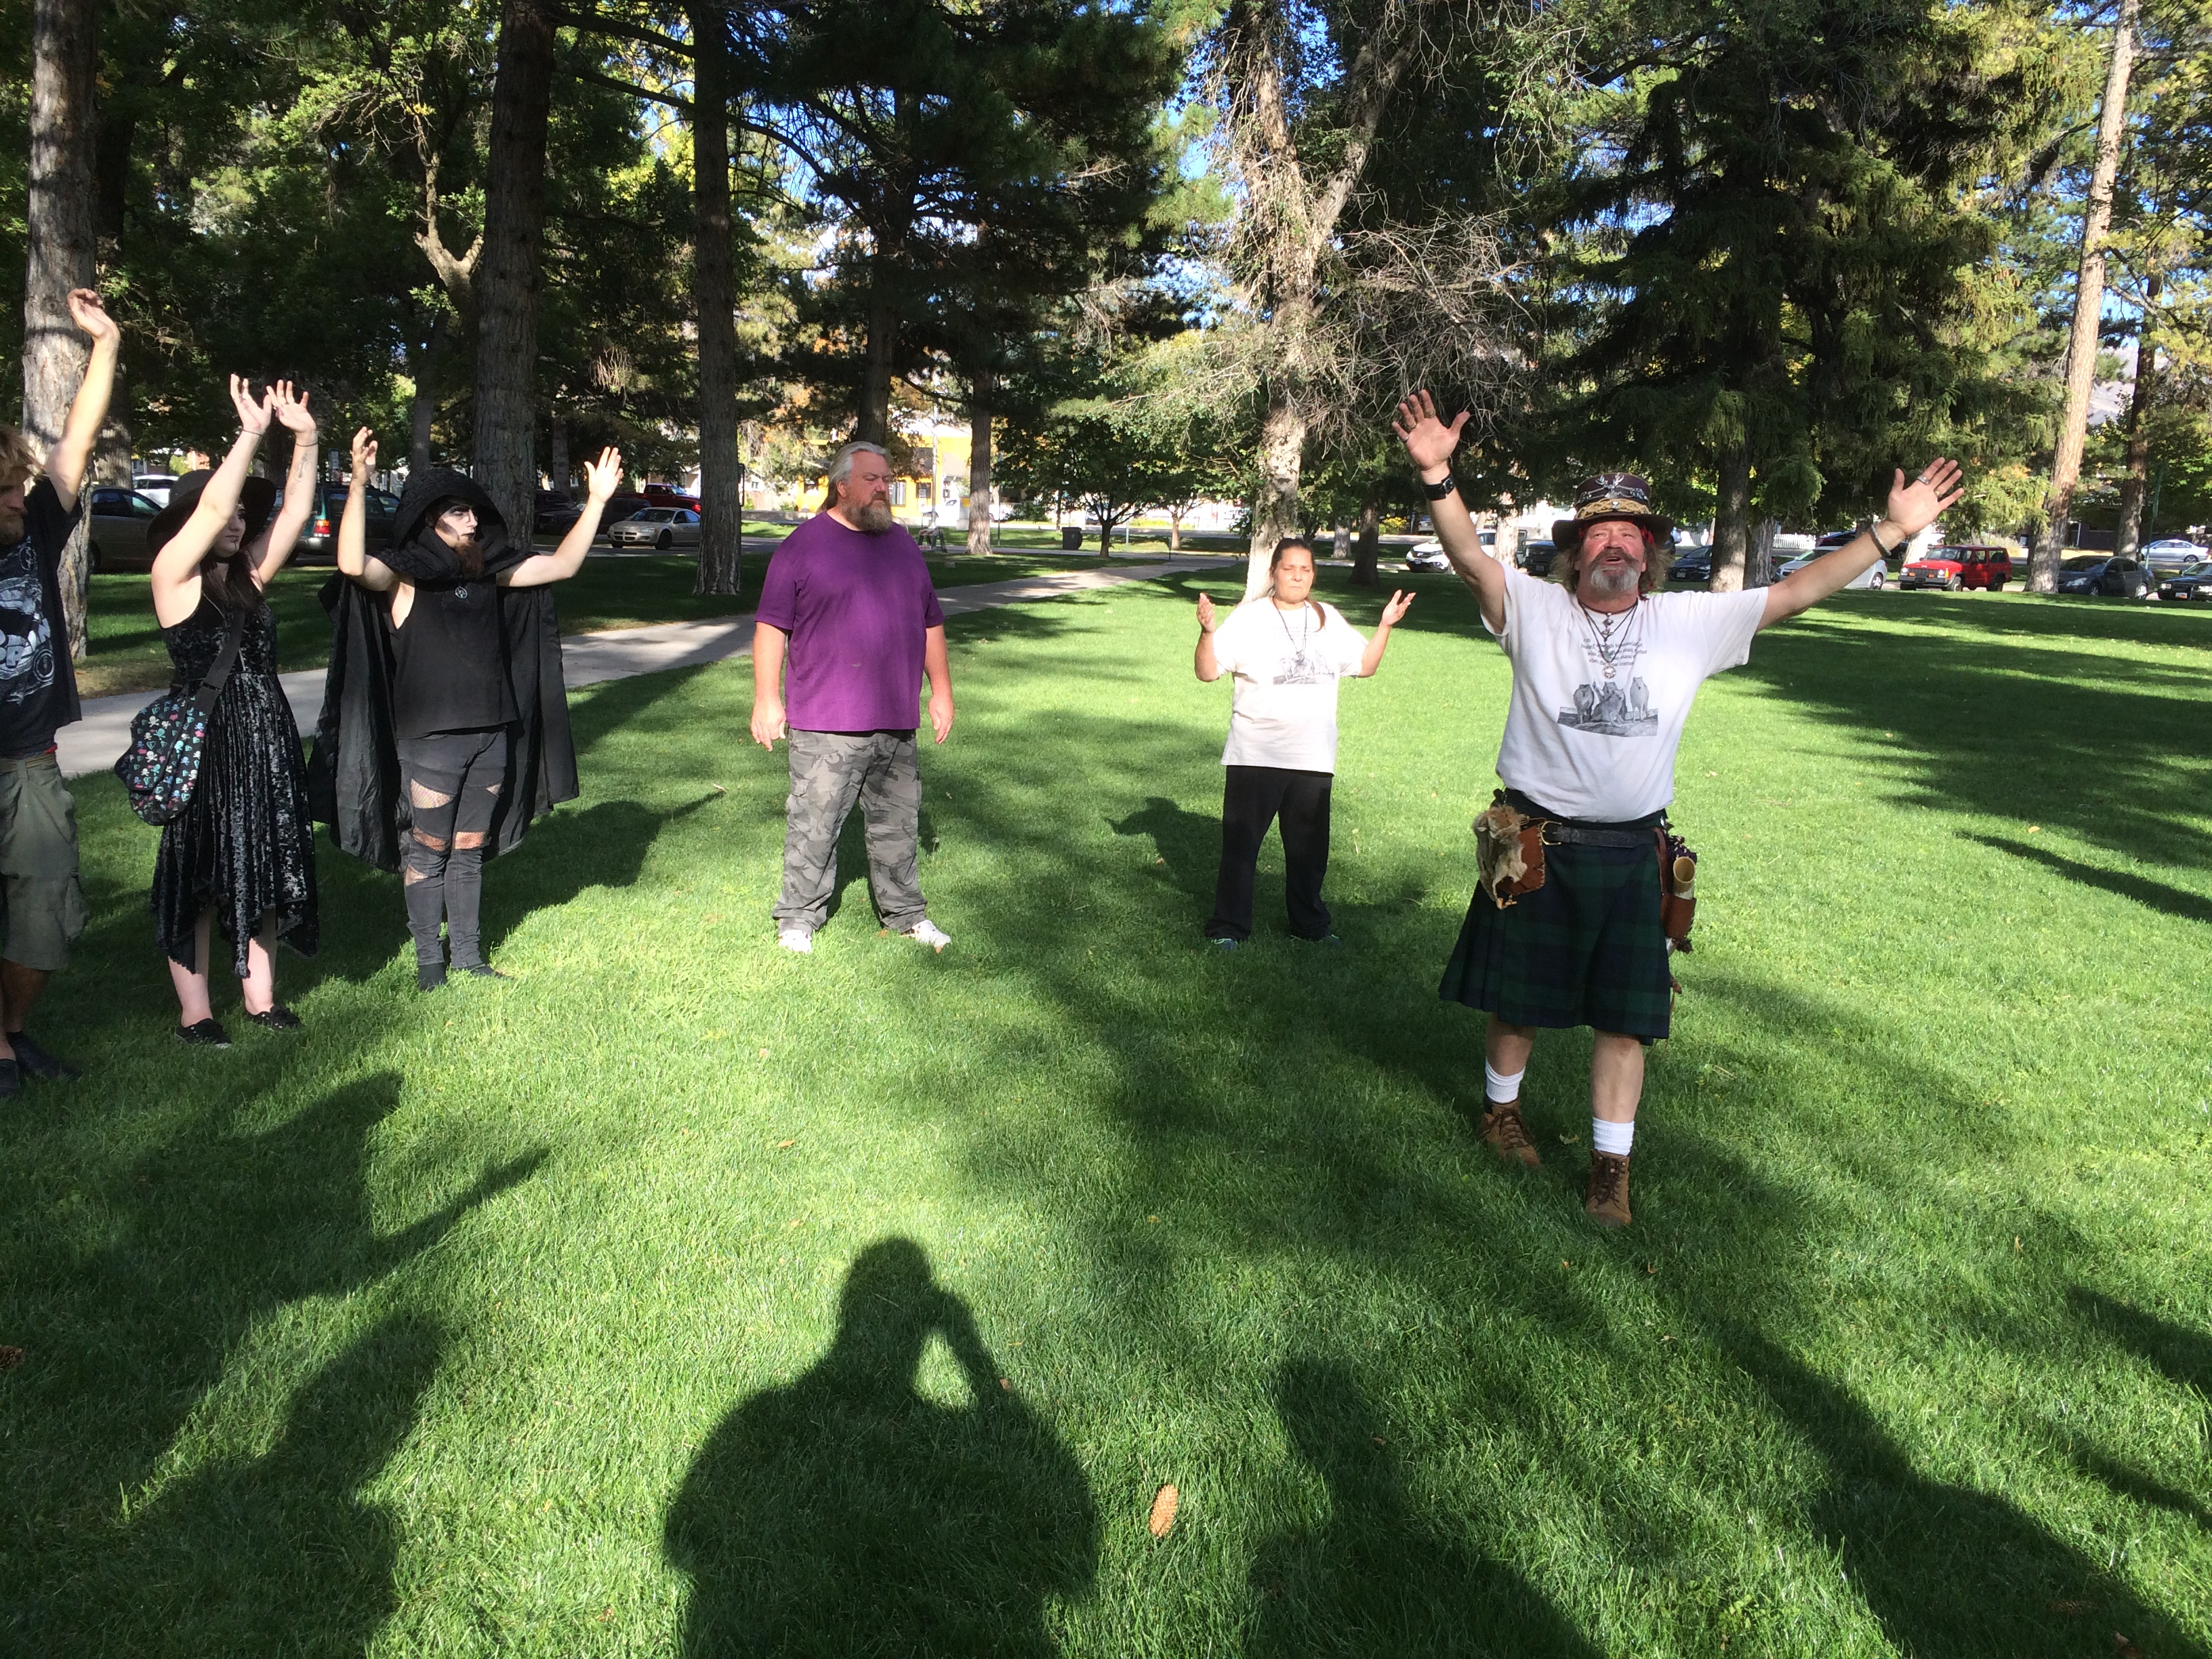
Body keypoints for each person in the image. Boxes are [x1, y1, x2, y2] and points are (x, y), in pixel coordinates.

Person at [1393, 389, 1963, 1227]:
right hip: (1533, 841)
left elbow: (1799, 591)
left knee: (1624, 1023)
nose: (1614, 542)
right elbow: (1473, 560)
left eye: (1631, 533)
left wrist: (1889, 532)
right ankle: (1501, 1113)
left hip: (1633, 851)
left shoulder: (1690, 622)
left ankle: (1610, 1169)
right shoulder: (1533, 610)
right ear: (1576, 552)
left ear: (1652, 552)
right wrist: (1440, 476)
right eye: (1598, 531)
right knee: (1518, 1001)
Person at [327, 430, 620, 988]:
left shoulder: (488, 570)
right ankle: (428, 964)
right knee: (430, 848)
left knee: (467, 849)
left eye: (472, 511)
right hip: (432, 740)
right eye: (459, 512)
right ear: (429, 519)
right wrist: (360, 487)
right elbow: (350, 565)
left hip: (493, 733)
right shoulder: (403, 574)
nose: (472, 521)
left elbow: (562, 567)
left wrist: (598, 502)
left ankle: (467, 956)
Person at [146, 377, 324, 1043]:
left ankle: (262, 998)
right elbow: (216, 500)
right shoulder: (173, 574)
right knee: (198, 876)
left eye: (244, 517)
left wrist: (304, 439)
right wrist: (249, 434)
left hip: (266, 737)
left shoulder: (248, 579)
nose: (238, 521)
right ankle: (197, 1014)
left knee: (266, 864)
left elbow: (298, 516)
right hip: (207, 743)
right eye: (224, 516)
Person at [750, 441, 954, 956]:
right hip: (826, 722)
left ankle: (907, 914)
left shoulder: (904, 546)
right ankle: (797, 919)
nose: (883, 487)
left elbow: (931, 622)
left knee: (898, 828)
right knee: (813, 826)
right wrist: (766, 701)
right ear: (842, 486)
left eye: (885, 479)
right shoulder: (803, 546)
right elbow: (771, 627)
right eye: (871, 479)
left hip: (895, 719)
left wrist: (942, 693)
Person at [0, 289, 117, 1089]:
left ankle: (9, 1032)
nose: (21, 498)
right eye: (7, 489)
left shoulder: (36, 529)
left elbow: (76, 437)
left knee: (47, 906)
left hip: (29, 763)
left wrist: (104, 344)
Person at [1193, 538, 1412, 946]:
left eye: (1306, 569)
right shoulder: (1249, 618)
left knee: (1309, 854)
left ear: (1314, 574)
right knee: (1241, 852)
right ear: (1273, 572)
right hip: (1255, 753)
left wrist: (1385, 626)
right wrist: (1207, 633)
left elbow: (1364, 667)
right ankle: (1229, 928)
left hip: (1312, 757)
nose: (1297, 576)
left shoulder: (1327, 617)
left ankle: (1310, 926)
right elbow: (1208, 673)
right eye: (1289, 568)